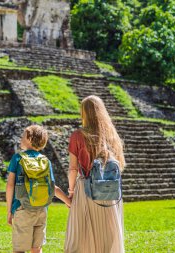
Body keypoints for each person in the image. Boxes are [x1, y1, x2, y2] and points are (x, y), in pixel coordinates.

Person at [65, 95, 125, 253]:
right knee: (108, 236)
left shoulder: (78, 135)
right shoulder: (112, 136)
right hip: (111, 191)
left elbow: (72, 168)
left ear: (84, 113)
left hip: (87, 189)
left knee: (83, 237)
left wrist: (71, 191)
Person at [6, 125, 71, 253]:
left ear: (29, 138)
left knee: (19, 249)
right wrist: (69, 202)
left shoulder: (18, 158)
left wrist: (9, 210)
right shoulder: (45, 161)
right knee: (37, 248)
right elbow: (53, 188)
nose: (21, 139)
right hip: (41, 208)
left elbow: (10, 185)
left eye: (23, 136)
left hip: (22, 208)